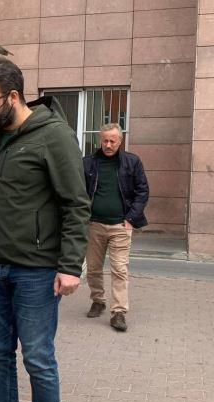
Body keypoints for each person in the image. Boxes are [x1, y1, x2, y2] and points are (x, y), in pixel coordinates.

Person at [0, 57, 90, 402]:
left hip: (36, 271)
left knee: (37, 358)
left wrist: (70, 266)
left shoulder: (54, 136)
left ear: (14, 96)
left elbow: (76, 204)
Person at [82, 123, 149, 332]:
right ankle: (98, 300)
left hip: (121, 225)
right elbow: (79, 192)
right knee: (93, 268)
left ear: (120, 141)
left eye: (112, 141)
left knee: (119, 269)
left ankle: (119, 312)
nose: (108, 145)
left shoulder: (132, 162)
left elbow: (142, 191)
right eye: (105, 140)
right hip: (94, 225)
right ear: (100, 140)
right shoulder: (88, 163)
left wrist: (130, 218)